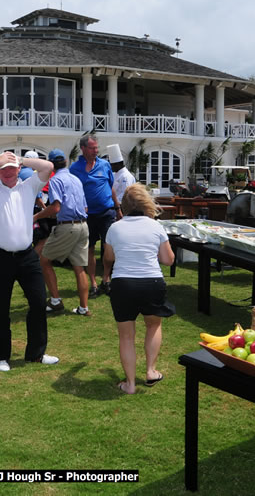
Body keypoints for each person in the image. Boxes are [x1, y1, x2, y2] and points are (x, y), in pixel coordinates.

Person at [0, 151, 58, 372]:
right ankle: (2, 356)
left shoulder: (28, 186)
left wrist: (20, 159)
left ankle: (36, 353)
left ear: (18, 169)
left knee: (38, 303)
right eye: (3, 169)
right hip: (1, 258)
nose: (7, 172)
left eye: (11, 168)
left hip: (27, 256)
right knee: (1, 308)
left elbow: (48, 167)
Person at [103, 184, 175, 395]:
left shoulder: (115, 228)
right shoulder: (155, 226)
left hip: (123, 284)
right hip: (151, 282)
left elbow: (109, 257)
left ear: (123, 206)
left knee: (126, 336)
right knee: (153, 325)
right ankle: (151, 371)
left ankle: (130, 384)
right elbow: (168, 260)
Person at [34, 149, 90, 316]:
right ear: (65, 161)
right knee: (79, 268)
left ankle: (55, 301)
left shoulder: (55, 180)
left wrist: (36, 216)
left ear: (51, 165)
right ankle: (83, 308)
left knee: (44, 260)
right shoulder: (76, 179)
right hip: (83, 225)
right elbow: (85, 207)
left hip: (67, 226)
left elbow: (56, 207)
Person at [69, 132, 121, 299]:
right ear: (83, 148)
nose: (95, 151)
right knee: (89, 249)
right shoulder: (74, 169)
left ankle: (106, 278)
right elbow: (72, 192)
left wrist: (118, 208)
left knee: (108, 247)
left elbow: (111, 187)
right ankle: (93, 284)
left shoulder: (104, 165)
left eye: (97, 148)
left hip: (106, 212)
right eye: (92, 148)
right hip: (87, 215)